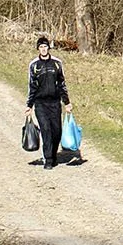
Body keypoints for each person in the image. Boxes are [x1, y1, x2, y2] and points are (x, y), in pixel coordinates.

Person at [27, 36, 69, 170]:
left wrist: (67, 102)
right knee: (46, 130)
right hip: (40, 103)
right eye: (41, 47)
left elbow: (62, 84)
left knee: (57, 131)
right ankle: (48, 160)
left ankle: (54, 154)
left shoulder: (57, 63)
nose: (43, 49)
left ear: (48, 48)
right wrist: (29, 105)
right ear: (38, 49)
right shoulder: (34, 65)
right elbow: (32, 86)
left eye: (45, 47)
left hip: (55, 103)